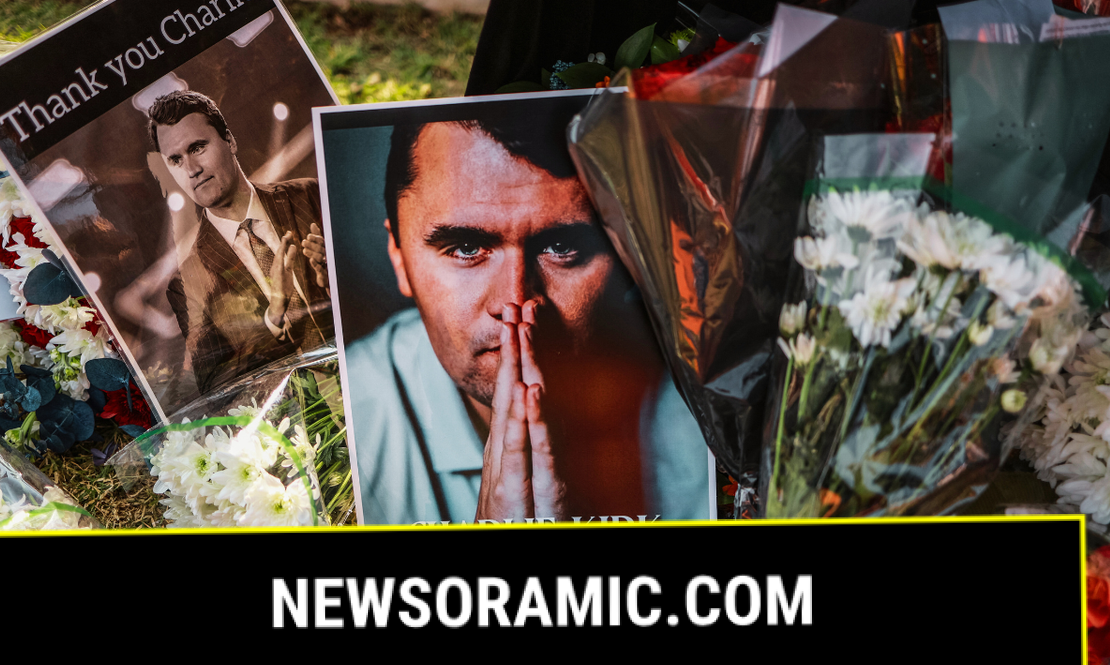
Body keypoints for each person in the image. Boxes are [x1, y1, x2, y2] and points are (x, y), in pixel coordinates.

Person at [344, 115, 710, 525]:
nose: (515, 302)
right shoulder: (341, 433)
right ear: (398, 254)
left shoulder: (709, 411)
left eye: (561, 245)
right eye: (466, 247)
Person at [148, 91, 332, 395]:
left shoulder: (310, 195)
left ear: (230, 141)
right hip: (306, 427)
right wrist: (273, 317)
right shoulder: (187, 283)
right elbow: (217, 388)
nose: (191, 169)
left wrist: (337, 277)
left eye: (198, 147)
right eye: (176, 160)